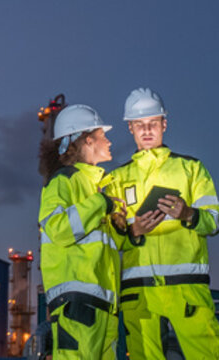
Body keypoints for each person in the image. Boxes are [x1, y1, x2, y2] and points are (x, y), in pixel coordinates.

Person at [105, 88, 219, 360]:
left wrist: (188, 214)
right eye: (139, 125)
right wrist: (133, 231)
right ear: (130, 128)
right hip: (139, 291)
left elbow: (215, 221)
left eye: (152, 123)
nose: (146, 130)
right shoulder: (116, 179)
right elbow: (107, 239)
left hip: (187, 288)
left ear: (164, 124)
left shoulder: (191, 169)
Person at [38, 104, 124, 360]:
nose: (108, 141)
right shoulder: (63, 181)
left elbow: (104, 244)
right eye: (103, 135)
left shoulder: (94, 185)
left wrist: (122, 227)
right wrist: (101, 204)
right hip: (77, 303)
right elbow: (59, 229)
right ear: (88, 140)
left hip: (103, 305)